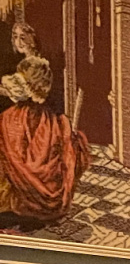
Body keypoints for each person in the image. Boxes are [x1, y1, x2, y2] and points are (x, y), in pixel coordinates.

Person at [0, 50, 90, 224]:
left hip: (25, 118)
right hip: (35, 116)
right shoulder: (53, 121)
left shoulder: (12, 119)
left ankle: (18, 206)